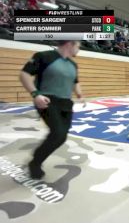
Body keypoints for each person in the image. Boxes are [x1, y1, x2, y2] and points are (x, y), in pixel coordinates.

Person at [19, 40, 83, 179]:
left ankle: (36, 159)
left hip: (66, 103)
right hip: (47, 100)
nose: (79, 49)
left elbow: (75, 82)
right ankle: (35, 163)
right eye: (78, 46)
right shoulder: (44, 56)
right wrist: (35, 94)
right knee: (57, 133)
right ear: (70, 44)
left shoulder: (73, 64)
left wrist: (79, 94)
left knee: (61, 137)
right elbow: (24, 74)